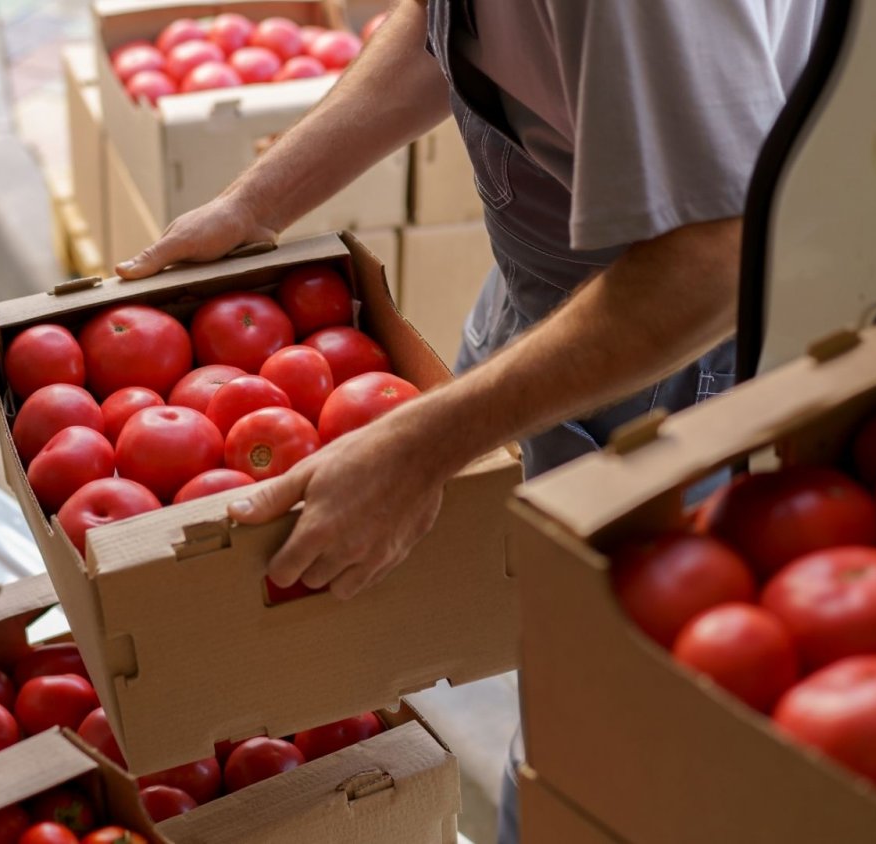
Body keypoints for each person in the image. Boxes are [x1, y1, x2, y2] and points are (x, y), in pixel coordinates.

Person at [117, 2, 823, 839]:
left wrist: (424, 448)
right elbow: (441, 25)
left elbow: (710, 258)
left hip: (675, 357)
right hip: (556, 291)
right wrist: (256, 200)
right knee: (555, 676)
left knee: (599, 753)